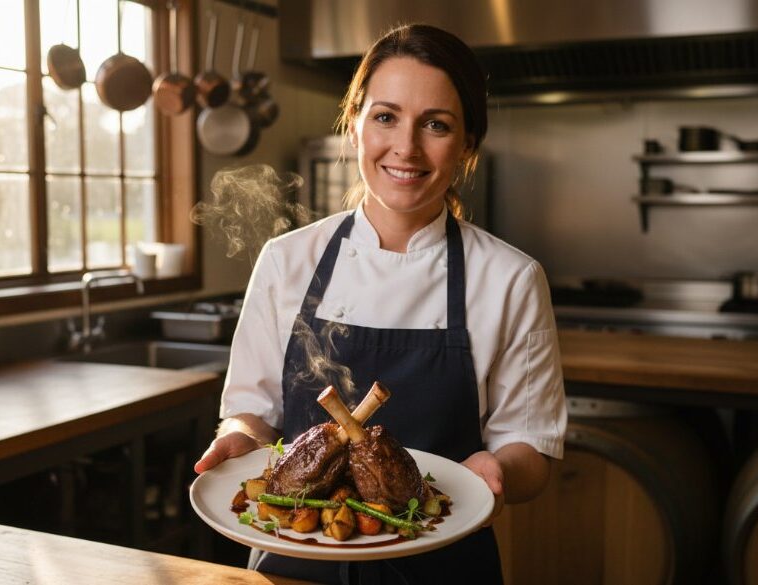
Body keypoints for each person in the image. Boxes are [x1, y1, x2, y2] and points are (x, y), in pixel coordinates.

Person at [194, 23, 566, 585]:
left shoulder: (510, 278)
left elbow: (532, 454)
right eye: (385, 117)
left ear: (467, 145)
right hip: (292, 562)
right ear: (354, 126)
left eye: (435, 125)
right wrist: (235, 441)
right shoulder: (287, 260)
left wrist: (499, 470)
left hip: (444, 568)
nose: (406, 148)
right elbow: (250, 413)